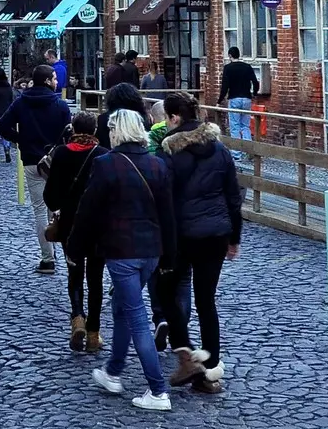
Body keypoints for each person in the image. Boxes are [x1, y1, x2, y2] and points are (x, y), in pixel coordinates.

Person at [67, 107, 177, 411]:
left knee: (136, 317)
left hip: (122, 251)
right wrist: (169, 256)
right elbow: (168, 215)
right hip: (151, 251)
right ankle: (113, 372)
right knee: (121, 309)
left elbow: (87, 211)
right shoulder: (156, 165)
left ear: (116, 131)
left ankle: (158, 390)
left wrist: (75, 250)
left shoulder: (106, 165)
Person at [154, 93, 241, 392]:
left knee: (166, 292)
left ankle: (186, 351)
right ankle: (210, 369)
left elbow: (162, 197)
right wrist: (235, 237)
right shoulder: (219, 149)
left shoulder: (168, 152)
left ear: (174, 117)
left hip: (181, 233)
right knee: (206, 300)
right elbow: (233, 195)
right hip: (216, 232)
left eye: (167, 117)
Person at [42, 109, 108, 351]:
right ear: (94, 131)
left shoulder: (61, 154)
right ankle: (93, 333)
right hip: (98, 224)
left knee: (74, 274)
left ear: (73, 129)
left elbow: (50, 196)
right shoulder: (103, 155)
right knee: (96, 279)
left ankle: (77, 317)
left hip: (70, 223)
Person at [0, 67, 73, 273]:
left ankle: (47, 257)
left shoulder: (22, 102)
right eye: (55, 78)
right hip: (56, 160)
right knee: (57, 207)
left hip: (32, 160)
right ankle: (63, 252)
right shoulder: (60, 104)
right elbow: (69, 134)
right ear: (48, 81)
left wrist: (21, 139)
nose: (57, 81)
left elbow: (1, 125)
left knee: (40, 209)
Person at [220, 48, 261, 141]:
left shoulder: (227, 68)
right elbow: (255, 82)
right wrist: (254, 93)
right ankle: (248, 150)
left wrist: (219, 101)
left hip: (234, 98)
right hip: (246, 99)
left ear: (230, 55)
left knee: (235, 126)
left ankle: (237, 153)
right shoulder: (247, 67)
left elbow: (225, 87)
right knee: (245, 126)